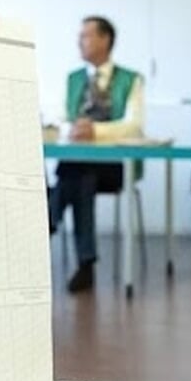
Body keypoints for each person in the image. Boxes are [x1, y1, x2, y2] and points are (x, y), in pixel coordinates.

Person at [50, 15, 144, 293]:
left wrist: (97, 132)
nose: (80, 41)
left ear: (106, 40)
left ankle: (48, 218)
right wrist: (73, 128)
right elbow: (60, 120)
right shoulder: (72, 80)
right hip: (80, 164)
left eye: (86, 36)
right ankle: (85, 263)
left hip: (115, 165)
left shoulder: (132, 79)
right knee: (81, 176)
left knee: (77, 174)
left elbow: (133, 125)